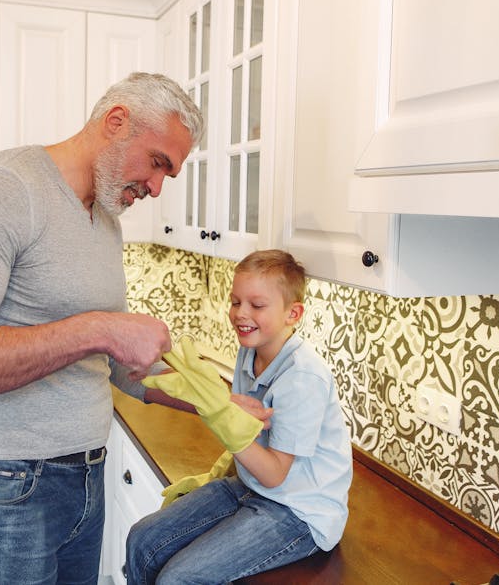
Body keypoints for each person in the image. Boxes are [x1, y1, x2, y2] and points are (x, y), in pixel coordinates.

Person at [0, 72, 219, 585]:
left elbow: (117, 366)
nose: (157, 187)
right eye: (157, 162)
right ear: (116, 121)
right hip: (1, 488)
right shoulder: (4, 188)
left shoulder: (106, 218)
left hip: (84, 479)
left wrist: (223, 403)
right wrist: (99, 328)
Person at [127, 249, 354, 584]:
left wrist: (221, 415)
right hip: (249, 487)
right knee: (141, 540)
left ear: (293, 313)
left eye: (257, 305)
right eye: (235, 302)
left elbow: (275, 474)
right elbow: (251, 432)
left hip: (299, 513)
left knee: (178, 578)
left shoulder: (303, 378)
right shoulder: (249, 351)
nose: (240, 313)